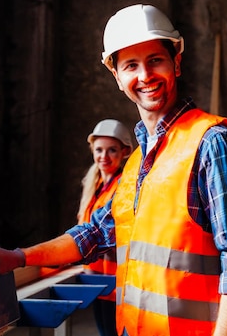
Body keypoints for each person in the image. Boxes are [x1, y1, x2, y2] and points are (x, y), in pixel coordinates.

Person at [0, 4, 227, 336]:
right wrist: (15, 258)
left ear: (176, 63)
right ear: (117, 77)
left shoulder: (211, 143)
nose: (145, 76)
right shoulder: (135, 164)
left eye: (155, 60)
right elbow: (93, 235)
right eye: (131, 65)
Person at [77, 119, 132, 336]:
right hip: (96, 278)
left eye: (112, 150)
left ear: (124, 152)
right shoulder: (95, 184)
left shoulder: (124, 186)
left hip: (116, 281)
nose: (104, 157)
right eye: (99, 150)